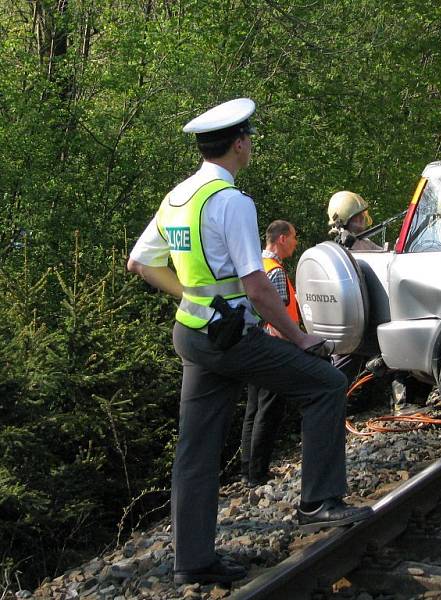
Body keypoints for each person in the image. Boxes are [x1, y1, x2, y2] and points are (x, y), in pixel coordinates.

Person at [127, 98, 371, 586]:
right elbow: (258, 286)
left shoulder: (178, 197)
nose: (251, 145)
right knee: (324, 384)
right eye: (250, 138)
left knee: (195, 449)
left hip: (192, 335)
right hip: (231, 337)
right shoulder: (231, 202)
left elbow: (139, 262)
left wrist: (196, 295)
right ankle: (319, 502)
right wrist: (301, 337)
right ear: (239, 143)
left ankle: (192, 561)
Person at [239, 220, 299, 487]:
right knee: (268, 409)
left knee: (253, 409)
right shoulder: (273, 270)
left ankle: (247, 470)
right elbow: (275, 312)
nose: (296, 243)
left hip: (253, 345)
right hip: (274, 347)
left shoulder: (255, 265)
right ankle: (258, 473)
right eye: (294, 237)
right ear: (282, 238)